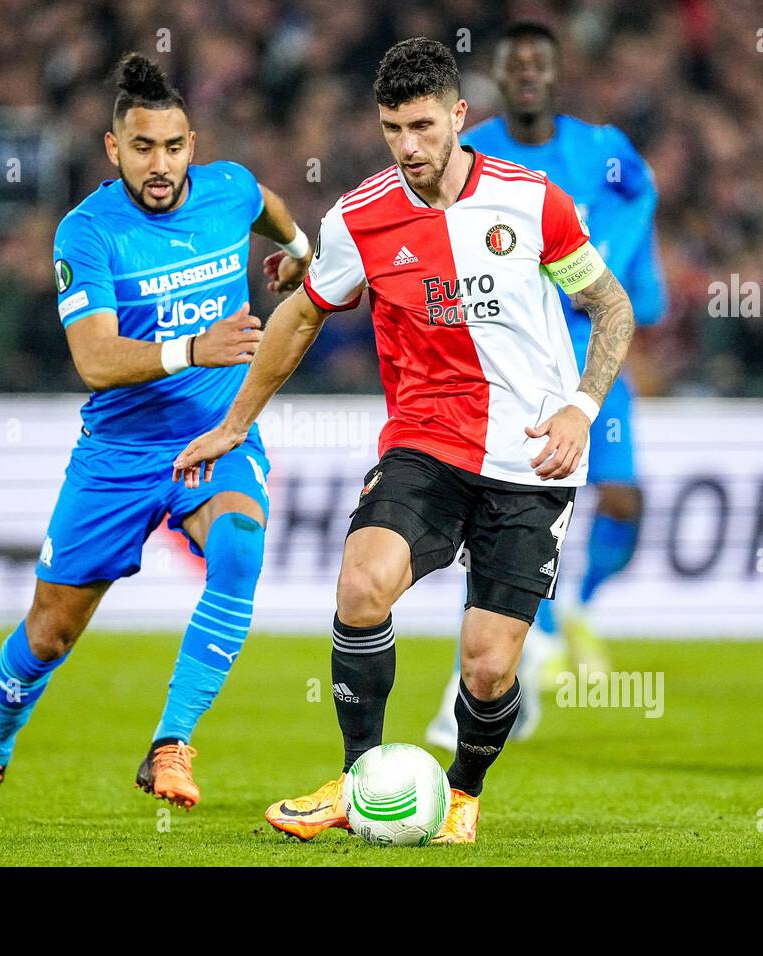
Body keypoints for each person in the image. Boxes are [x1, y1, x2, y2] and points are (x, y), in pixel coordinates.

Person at [172, 38, 635, 844]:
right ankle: (357, 781)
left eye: (423, 126)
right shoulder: (360, 217)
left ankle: (462, 791)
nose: (410, 147)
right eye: (393, 129)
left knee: (488, 668)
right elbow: (305, 313)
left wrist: (582, 409)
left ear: (460, 118)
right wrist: (236, 421)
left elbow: (612, 307)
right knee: (360, 587)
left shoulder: (535, 203)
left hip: (533, 457)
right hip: (426, 443)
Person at [0, 53, 312, 820]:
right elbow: (95, 360)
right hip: (117, 457)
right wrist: (193, 349)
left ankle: (171, 742)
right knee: (49, 634)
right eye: (142, 147)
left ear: (192, 145)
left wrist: (301, 252)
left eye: (174, 147)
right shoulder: (88, 233)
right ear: (115, 150)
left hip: (213, 438)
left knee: (241, 545)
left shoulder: (227, 190)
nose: (161, 163)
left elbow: (268, 204)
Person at [427, 21, 668, 751]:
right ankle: (515, 656)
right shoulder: (476, 155)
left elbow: (641, 194)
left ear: (557, 75)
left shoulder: (602, 152)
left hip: (594, 346)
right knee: (519, 504)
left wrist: (609, 273)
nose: (527, 73)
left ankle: (571, 614)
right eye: (514, 64)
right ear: (498, 75)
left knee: (624, 501)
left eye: (540, 63)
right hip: (516, 358)